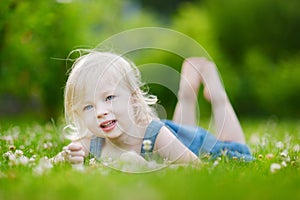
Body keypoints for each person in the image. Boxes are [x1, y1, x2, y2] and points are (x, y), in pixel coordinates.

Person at [55, 49, 252, 169]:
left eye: (109, 97)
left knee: (235, 146)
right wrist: (65, 157)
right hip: (176, 137)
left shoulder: (156, 134)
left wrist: (149, 166)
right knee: (181, 130)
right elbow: (53, 162)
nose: (100, 111)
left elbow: (196, 168)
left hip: (196, 145)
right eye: (88, 106)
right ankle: (187, 94)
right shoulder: (93, 141)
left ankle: (215, 89)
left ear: (133, 99)